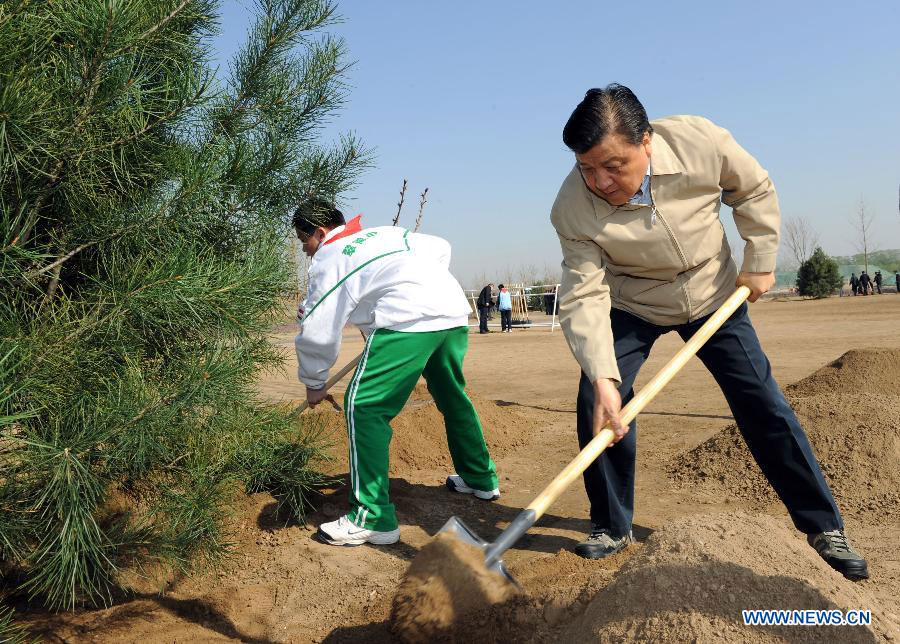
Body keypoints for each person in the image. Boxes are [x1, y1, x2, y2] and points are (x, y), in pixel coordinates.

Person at [550, 84, 868, 579]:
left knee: (762, 402)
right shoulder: (572, 207)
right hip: (633, 301)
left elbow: (754, 188)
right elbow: (584, 293)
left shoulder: (700, 141)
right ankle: (613, 524)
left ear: (647, 141)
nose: (600, 181)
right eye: (586, 168)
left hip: (712, 292)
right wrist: (603, 377)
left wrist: (760, 260)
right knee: (598, 401)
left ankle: (824, 526)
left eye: (613, 165)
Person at [293, 199, 500, 546]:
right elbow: (440, 247)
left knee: (365, 408)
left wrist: (314, 382)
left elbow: (318, 325)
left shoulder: (331, 255)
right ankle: (480, 478)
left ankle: (371, 517)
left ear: (321, 232)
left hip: (406, 321)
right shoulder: (383, 234)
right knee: (451, 395)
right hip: (449, 313)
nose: (307, 251)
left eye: (304, 242)